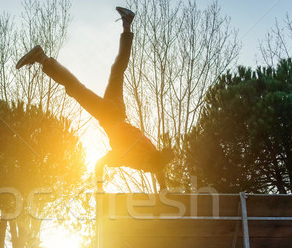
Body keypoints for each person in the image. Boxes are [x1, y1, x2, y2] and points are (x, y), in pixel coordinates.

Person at [16, 6, 175, 191]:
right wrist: (99, 189)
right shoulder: (129, 157)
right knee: (75, 88)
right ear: (147, 163)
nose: (147, 171)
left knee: (118, 70)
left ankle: (127, 24)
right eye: (148, 169)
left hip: (118, 110)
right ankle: (42, 58)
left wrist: (163, 188)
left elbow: (158, 168)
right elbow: (100, 164)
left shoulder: (152, 152)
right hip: (108, 115)